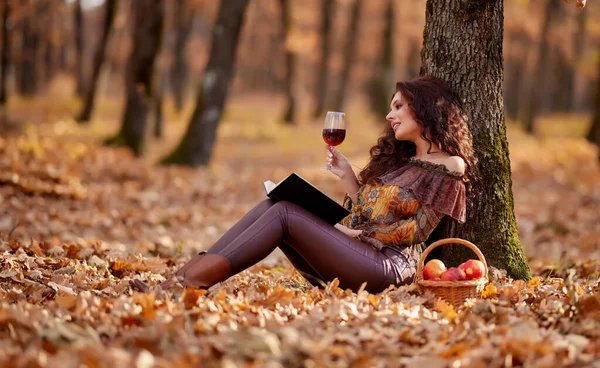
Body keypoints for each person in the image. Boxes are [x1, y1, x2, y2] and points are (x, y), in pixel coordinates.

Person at [130, 76, 476, 294]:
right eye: (390, 108)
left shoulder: (448, 166)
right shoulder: (399, 162)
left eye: (399, 106)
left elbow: (417, 232)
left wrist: (357, 237)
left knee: (285, 214)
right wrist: (349, 181)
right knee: (275, 204)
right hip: (360, 257)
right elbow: (364, 218)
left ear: (425, 111)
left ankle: (186, 286)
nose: (390, 115)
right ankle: (179, 281)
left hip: (389, 267)